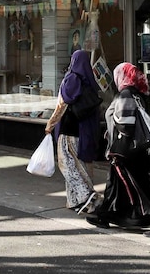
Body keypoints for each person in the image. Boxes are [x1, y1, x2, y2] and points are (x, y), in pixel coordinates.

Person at [86, 62, 150, 237]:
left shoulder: (125, 95)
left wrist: (115, 123)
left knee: (142, 188)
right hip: (129, 151)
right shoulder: (136, 94)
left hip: (127, 152)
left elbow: (126, 125)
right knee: (113, 186)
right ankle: (105, 215)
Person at [44, 50, 102, 215]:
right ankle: (73, 201)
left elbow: (62, 105)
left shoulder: (72, 79)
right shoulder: (89, 80)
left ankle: (88, 197)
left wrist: (50, 124)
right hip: (85, 131)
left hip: (69, 130)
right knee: (80, 165)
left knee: (67, 166)